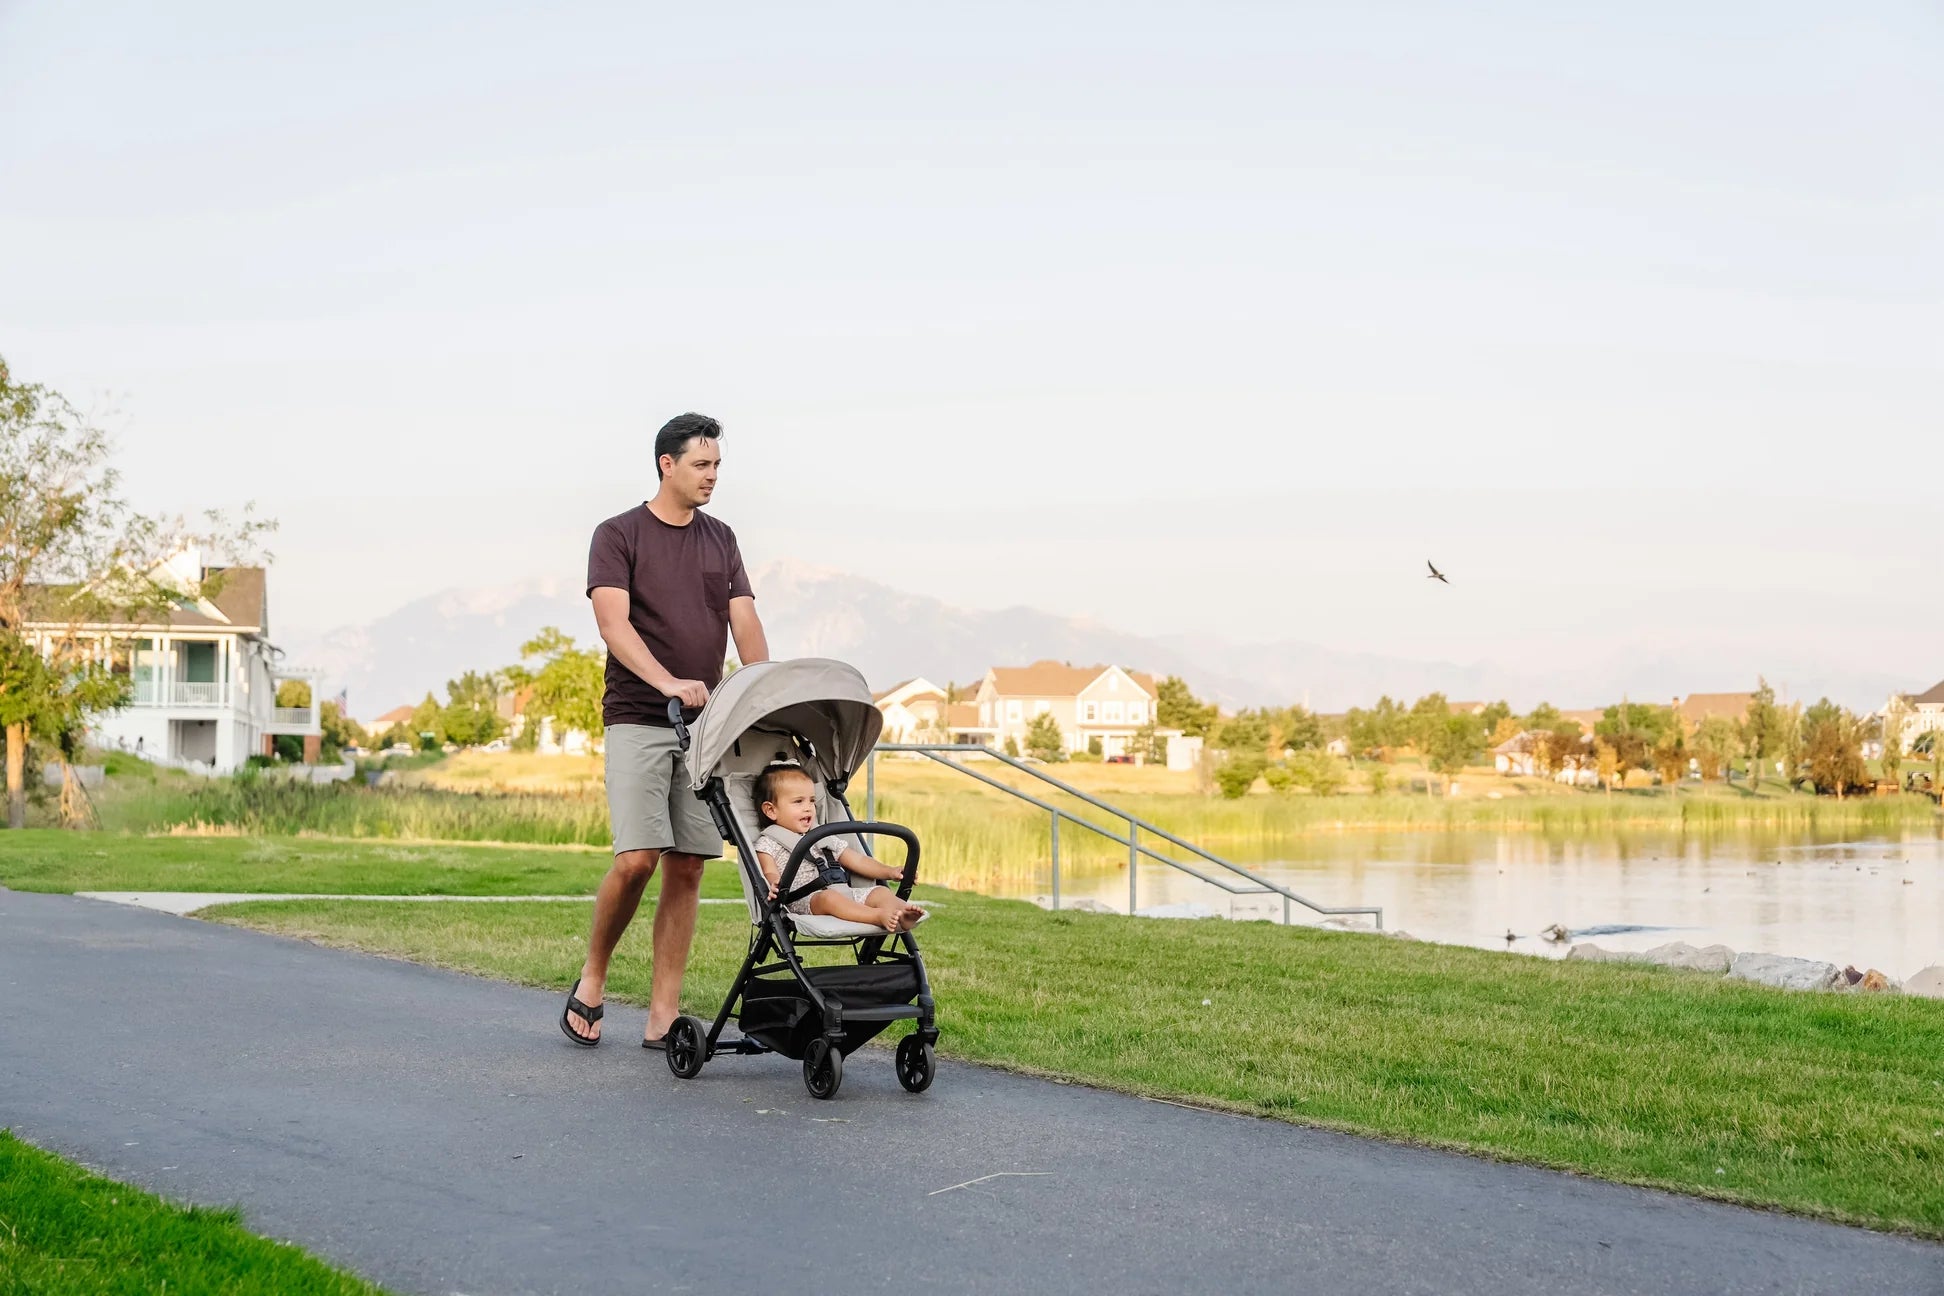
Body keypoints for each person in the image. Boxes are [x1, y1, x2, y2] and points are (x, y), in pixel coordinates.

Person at [560, 412, 769, 1049]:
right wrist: (667, 682)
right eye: (701, 465)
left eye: (717, 466)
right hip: (637, 716)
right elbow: (613, 625)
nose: (712, 477)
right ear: (666, 465)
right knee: (637, 860)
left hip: (704, 730)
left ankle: (661, 1015)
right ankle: (594, 977)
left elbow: (746, 623)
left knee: (688, 867)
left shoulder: (721, 538)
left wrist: (765, 691)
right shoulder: (618, 533)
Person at [750, 762, 924, 933]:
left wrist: (890, 872)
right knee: (829, 898)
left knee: (880, 892)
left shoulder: (823, 836)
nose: (808, 808)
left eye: (811, 801)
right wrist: (774, 884)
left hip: (843, 892)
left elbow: (857, 860)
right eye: (798, 802)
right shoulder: (768, 842)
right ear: (771, 810)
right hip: (807, 901)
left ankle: (903, 914)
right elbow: (769, 872)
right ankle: (877, 916)